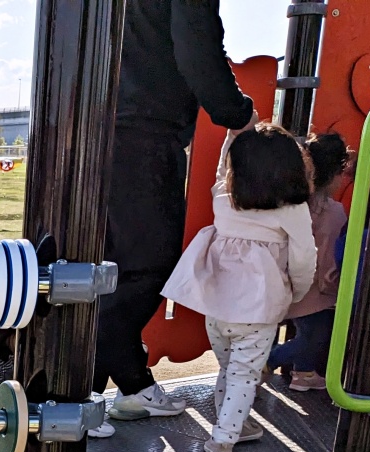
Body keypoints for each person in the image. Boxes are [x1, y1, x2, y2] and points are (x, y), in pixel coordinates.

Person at [94, 0, 256, 423]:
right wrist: (237, 112)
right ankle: (118, 381)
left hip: (83, 122)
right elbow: (196, 43)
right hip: (141, 129)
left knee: (96, 266)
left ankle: (97, 390)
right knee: (147, 266)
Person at [162, 121, 316, 452]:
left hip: (216, 307)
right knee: (243, 374)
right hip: (259, 311)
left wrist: (230, 139)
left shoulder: (225, 198)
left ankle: (234, 425)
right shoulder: (292, 210)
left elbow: (221, 171)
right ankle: (224, 439)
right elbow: (305, 257)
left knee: (229, 368)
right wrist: (298, 291)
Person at [267, 132, 352, 391]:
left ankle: (303, 374)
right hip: (313, 292)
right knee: (315, 336)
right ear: (336, 174)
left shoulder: (293, 203)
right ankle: (267, 361)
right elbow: (326, 263)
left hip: (282, 282)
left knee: (302, 332)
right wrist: (335, 289)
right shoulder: (332, 212)